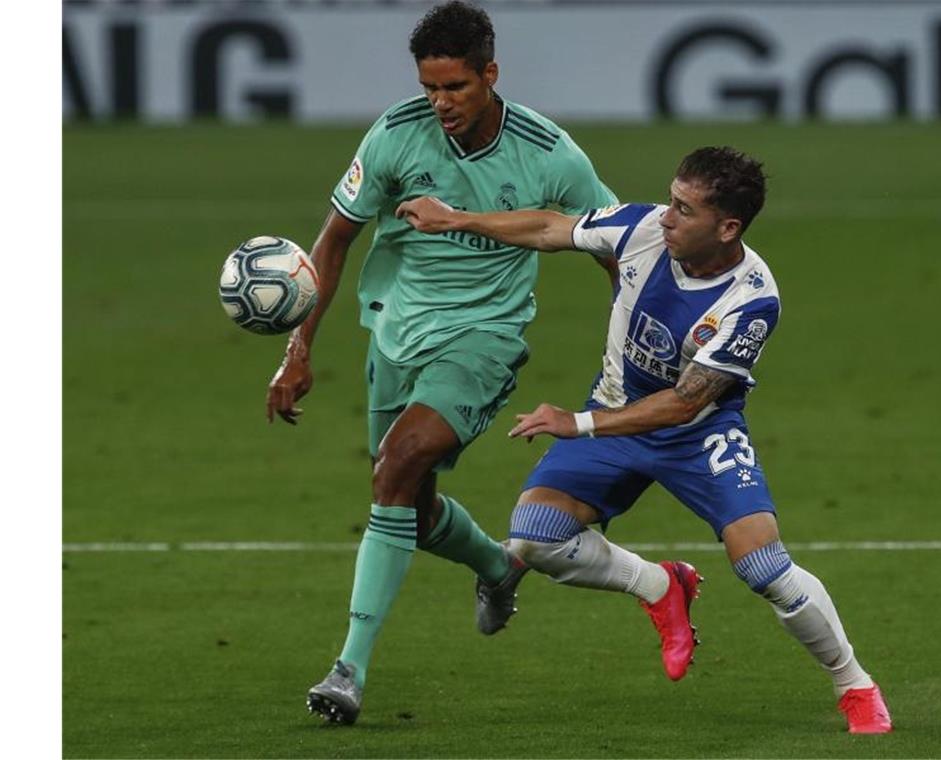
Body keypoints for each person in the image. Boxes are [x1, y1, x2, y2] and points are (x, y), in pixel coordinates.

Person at [395, 146, 894, 734]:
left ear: (727, 227)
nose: (667, 217)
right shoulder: (640, 226)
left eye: (684, 210)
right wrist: (457, 218)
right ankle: (660, 584)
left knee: (763, 565)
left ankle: (853, 683)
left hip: (697, 432)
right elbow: (552, 228)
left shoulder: (751, 300)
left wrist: (575, 424)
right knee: (537, 538)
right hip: (614, 411)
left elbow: (686, 401)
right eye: (671, 199)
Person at [265, 1, 618, 726]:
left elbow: (616, 241)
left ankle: (348, 670)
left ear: (490, 74)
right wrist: (298, 349)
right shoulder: (396, 135)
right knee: (412, 508)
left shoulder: (549, 152)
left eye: (455, 87)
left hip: (483, 340)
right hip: (395, 334)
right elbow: (332, 241)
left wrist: (628, 353)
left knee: (396, 467)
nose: (441, 103)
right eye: (430, 87)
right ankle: (497, 566)